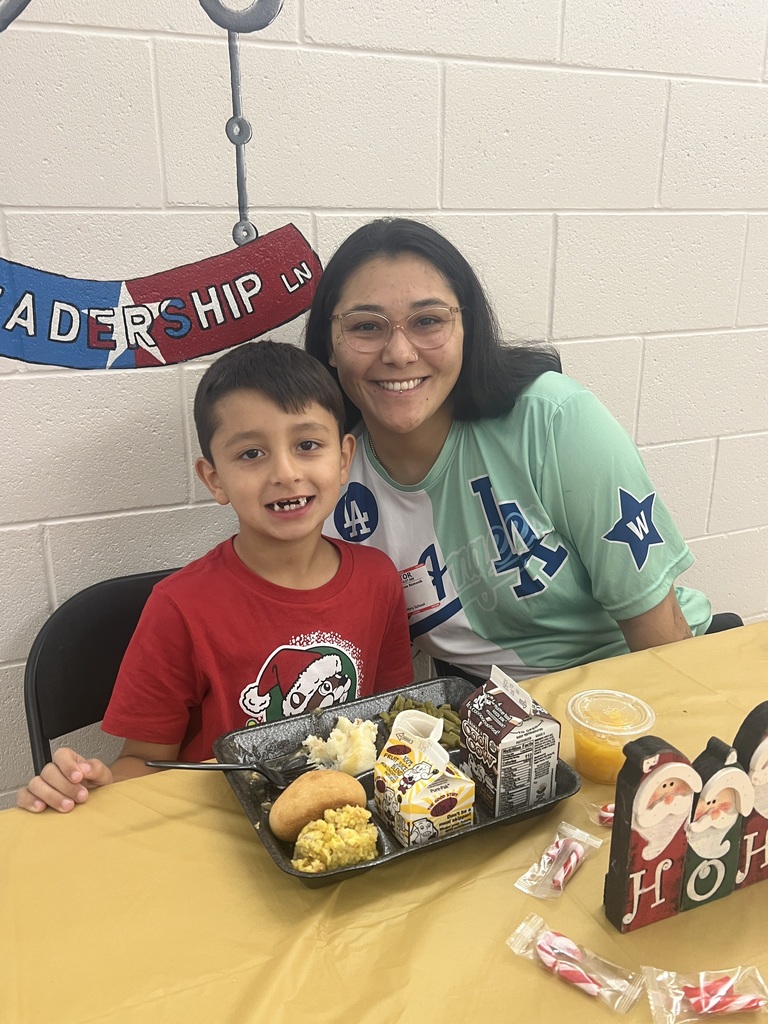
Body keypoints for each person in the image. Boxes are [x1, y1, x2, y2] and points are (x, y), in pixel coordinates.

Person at [305, 217, 716, 687]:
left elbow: (661, 642)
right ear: (330, 345)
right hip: (505, 721)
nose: (399, 352)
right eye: (365, 326)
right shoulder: (326, 479)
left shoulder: (552, 419)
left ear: (468, 328)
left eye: (428, 321)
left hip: (635, 684)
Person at [17, 340, 414, 813]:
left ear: (344, 458)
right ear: (214, 479)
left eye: (307, 445)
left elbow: (394, 716)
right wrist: (87, 785)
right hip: (222, 828)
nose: (285, 473)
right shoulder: (180, 606)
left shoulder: (378, 577)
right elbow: (144, 762)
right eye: (251, 454)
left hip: (352, 816)